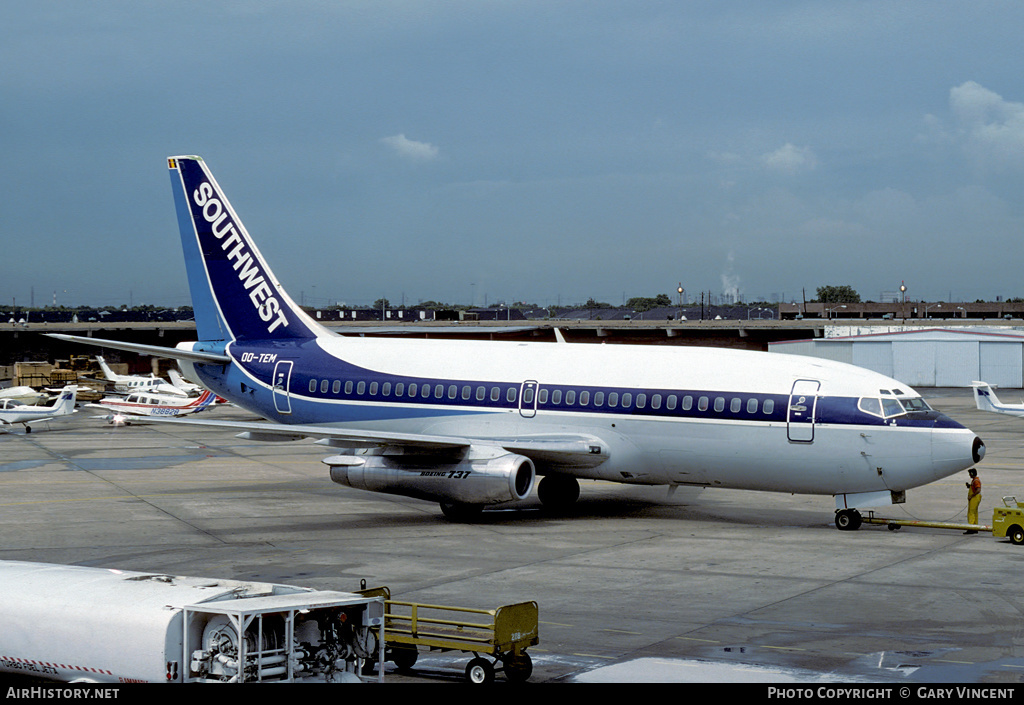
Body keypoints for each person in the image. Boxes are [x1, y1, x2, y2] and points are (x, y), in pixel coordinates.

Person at [964, 468, 982, 534]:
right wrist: (969, 486)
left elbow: (978, 490)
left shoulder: (976, 481)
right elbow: (974, 488)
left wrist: (971, 496)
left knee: (971, 513)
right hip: (975, 498)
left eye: (969, 474)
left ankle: (971, 528)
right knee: (975, 512)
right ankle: (975, 527)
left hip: (975, 498)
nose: (969, 475)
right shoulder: (974, 480)